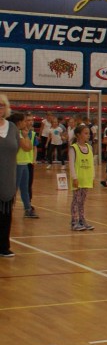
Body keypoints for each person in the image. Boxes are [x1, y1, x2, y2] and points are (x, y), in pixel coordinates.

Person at [0, 95, 26, 257]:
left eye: (2, 105)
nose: (0, 108)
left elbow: (15, 149)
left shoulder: (12, 128)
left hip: (8, 176)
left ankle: (3, 246)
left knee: (6, 213)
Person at [68, 124, 95, 231]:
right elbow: (71, 164)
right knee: (76, 200)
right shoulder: (73, 148)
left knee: (82, 201)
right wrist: (74, 177)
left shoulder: (89, 147)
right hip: (78, 178)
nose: (88, 135)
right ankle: (74, 221)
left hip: (86, 178)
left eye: (89, 133)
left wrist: (93, 177)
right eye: (86, 133)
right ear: (78, 135)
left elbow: (92, 163)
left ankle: (82, 220)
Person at [11, 114, 38, 219]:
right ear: (19, 122)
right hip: (17, 163)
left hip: (24, 163)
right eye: (24, 121)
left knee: (25, 188)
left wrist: (26, 137)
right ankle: (8, 208)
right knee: (13, 188)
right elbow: (26, 147)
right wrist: (26, 137)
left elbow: (30, 147)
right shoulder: (16, 133)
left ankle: (28, 209)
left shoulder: (24, 133)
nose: (25, 123)